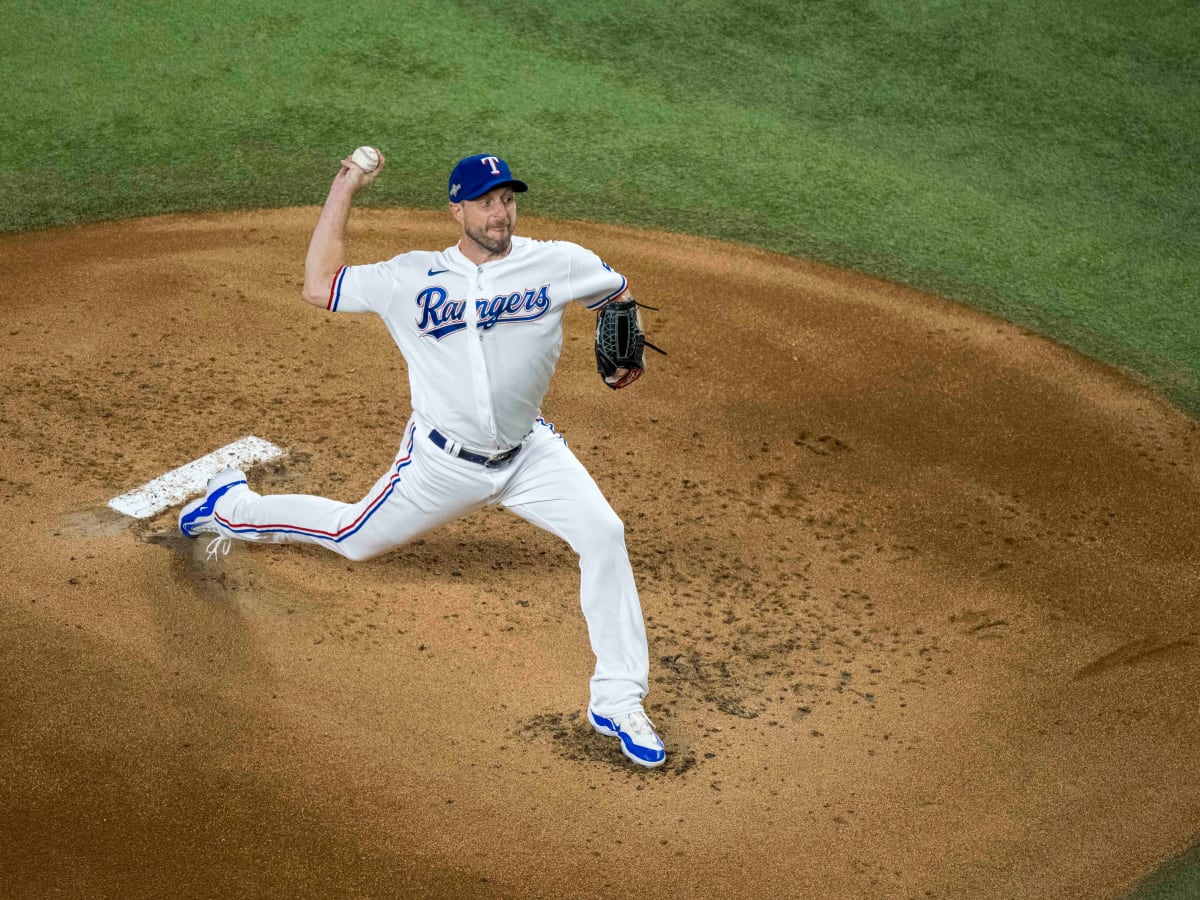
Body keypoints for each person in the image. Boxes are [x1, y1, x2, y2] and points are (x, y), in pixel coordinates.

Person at [178, 150, 665, 768]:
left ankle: (618, 699)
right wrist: (346, 184)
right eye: (487, 201)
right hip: (441, 464)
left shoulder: (558, 262)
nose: (500, 212)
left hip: (529, 454)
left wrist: (623, 335)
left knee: (604, 533)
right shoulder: (409, 278)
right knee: (353, 538)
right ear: (456, 209)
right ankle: (232, 505)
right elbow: (319, 284)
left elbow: (614, 291)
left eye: (508, 199)